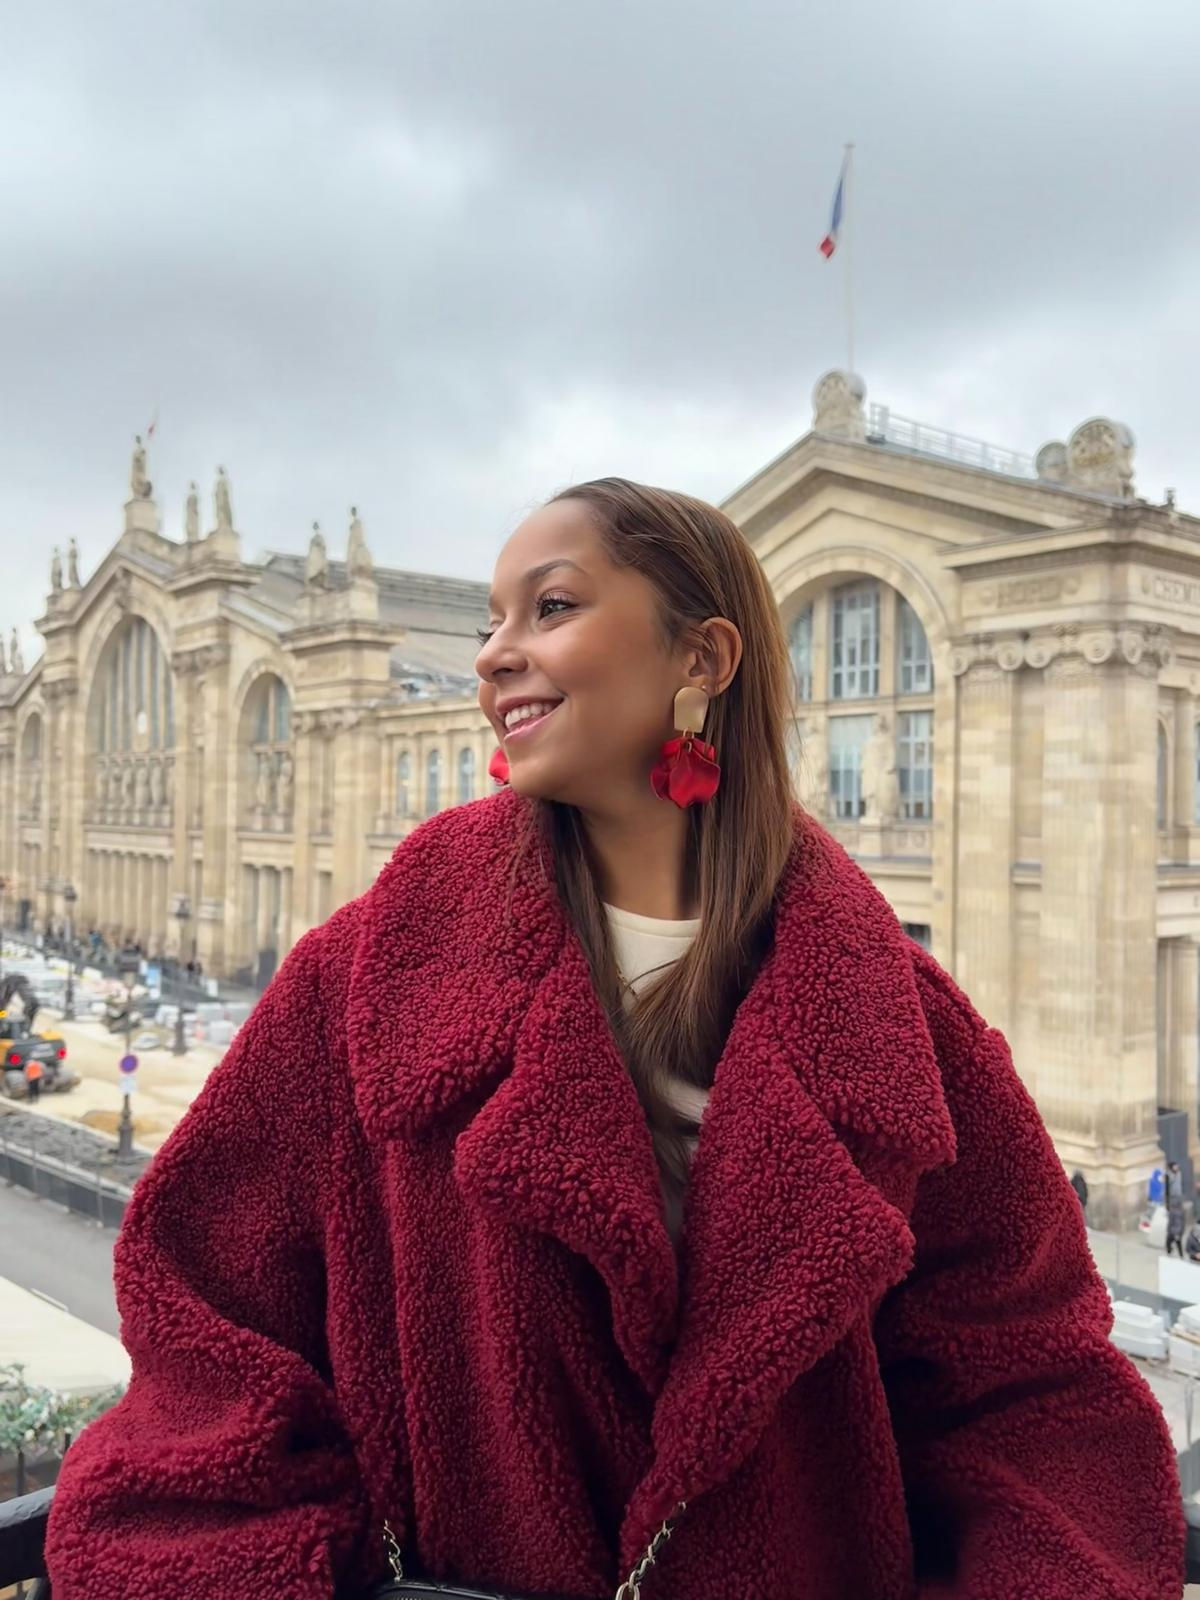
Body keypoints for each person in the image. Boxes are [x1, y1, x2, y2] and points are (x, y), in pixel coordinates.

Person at [46, 480, 1184, 1599]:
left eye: (549, 608)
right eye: (491, 619)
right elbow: (206, 1330)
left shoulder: (903, 1021)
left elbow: (1036, 1396)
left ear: (703, 660)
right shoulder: (362, 976)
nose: (494, 652)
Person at [1166, 1161, 1186, 1258]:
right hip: (1172, 1197)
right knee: (1173, 1238)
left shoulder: (1179, 1174)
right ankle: (1171, 1250)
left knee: (1176, 1239)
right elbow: (1167, 1189)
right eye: (1175, 1166)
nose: (1177, 1167)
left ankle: (1180, 1254)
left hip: (1178, 1196)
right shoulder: (1168, 1176)